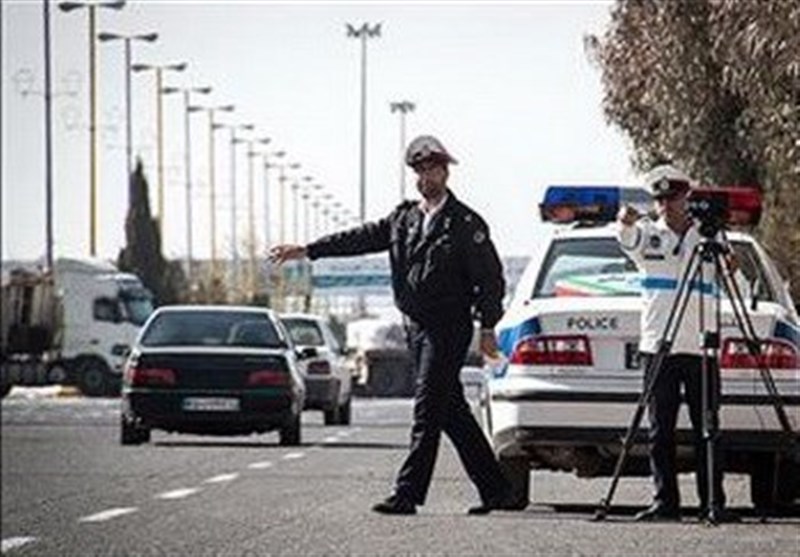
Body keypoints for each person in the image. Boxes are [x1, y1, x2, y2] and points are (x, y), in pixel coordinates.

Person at [269, 135, 516, 515]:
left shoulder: (465, 223)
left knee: (426, 407)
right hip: (415, 327)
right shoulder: (404, 219)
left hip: (448, 327)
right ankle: (498, 490)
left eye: (432, 169)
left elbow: (491, 279)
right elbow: (359, 238)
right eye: (419, 171)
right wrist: (307, 250)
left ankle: (407, 494)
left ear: (445, 172)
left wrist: (487, 328)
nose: (425, 176)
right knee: (451, 412)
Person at [617, 163, 737, 522]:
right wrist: (625, 221)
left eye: (674, 197)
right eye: (661, 198)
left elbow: (731, 271)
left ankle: (712, 502)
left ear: (688, 197)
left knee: (709, 428)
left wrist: (729, 259)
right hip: (660, 345)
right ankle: (665, 501)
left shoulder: (709, 236)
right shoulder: (646, 234)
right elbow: (625, 238)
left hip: (701, 346)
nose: (667, 204)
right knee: (660, 431)